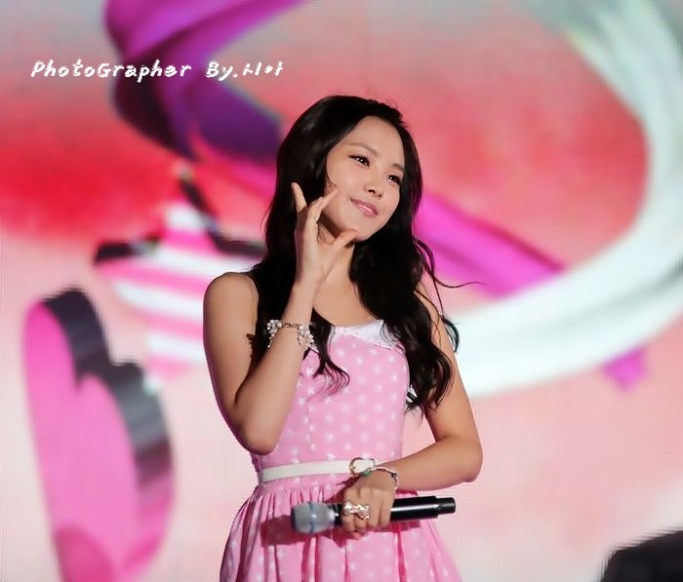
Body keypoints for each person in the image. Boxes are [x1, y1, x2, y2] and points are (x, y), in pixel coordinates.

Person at [203, 95, 483, 581]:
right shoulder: (238, 294)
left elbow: (465, 450)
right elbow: (259, 430)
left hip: (388, 540)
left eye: (394, 178)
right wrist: (304, 287)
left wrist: (385, 477)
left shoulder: (409, 309)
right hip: (287, 537)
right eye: (361, 160)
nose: (378, 186)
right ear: (312, 160)